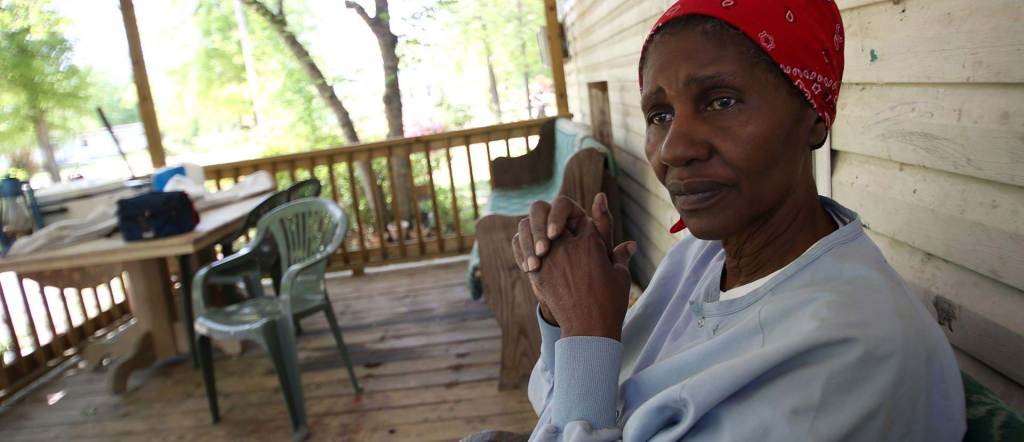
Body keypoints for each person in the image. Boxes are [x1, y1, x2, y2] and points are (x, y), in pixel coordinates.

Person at [510, 1, 966, 440]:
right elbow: (561, 409)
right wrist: (567, 309)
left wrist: (587, 329)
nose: (673, 148)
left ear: (813, 115)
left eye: (721, 102)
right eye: (660, 115)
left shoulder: (854, 352)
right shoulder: (700, 256)